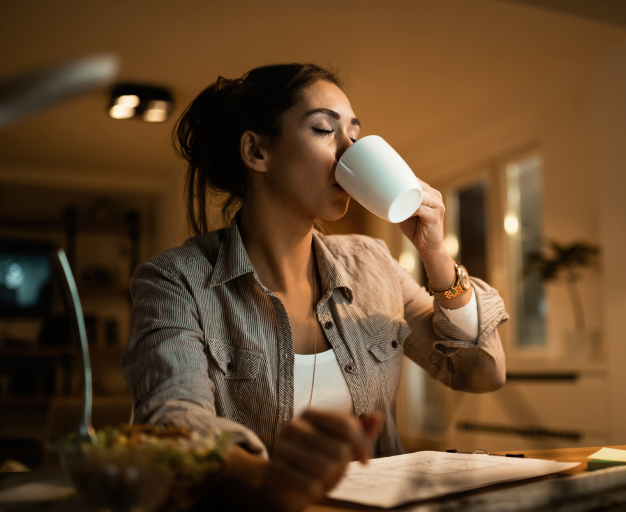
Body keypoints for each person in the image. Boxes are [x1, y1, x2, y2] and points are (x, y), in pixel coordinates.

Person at [121, 63, 508, 511]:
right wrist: (269, 477)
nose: (349, 152)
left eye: (355, 137)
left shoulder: (372, 264)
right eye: (325, 129)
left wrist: (436, 255)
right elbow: (175, 426)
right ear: (257, 152)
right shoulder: (175, 282)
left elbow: (480, 373)